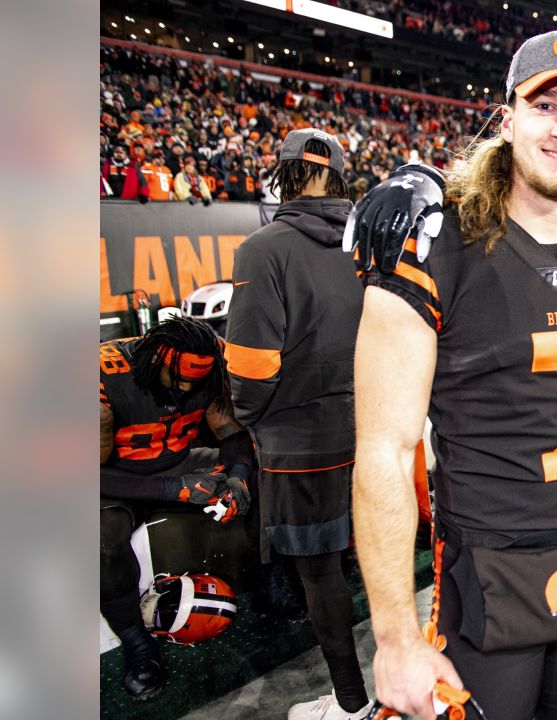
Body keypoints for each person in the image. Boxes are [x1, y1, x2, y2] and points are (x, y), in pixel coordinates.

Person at [350, 30, 557, 720]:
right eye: (546, 104)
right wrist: (396, 637)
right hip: (485, 570)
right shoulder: (434, 248)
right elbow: (383, 447)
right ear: (508, 116)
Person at [223, 129, 372, 719]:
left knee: (320, 575)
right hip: (374, 428)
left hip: (301, 440)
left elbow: (252, 367)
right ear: (339, 175)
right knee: (370, 560)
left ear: (282, 173)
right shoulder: (370, 239)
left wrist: (253, 419)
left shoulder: (264, 247)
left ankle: (353, 704)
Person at [100, 318, 254, 699]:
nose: (186, 388)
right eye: (178, 378)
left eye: (195, 380)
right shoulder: (101, 376)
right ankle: (137, 644)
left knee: (261, 475)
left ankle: (268, 582)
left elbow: (229, 430)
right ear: (155, 359)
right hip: (116, 480)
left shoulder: (212, 361)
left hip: (181, 461)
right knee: (99, 542)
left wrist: (237, 476)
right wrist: (174, 489)